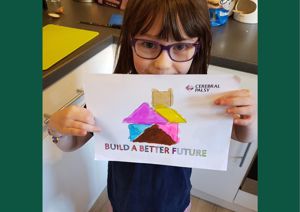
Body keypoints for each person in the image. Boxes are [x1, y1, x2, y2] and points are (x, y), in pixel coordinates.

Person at [47, 0, 257, 211]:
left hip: (175, 203)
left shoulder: (203, 97)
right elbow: (74, 142)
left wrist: (248, 120)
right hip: (122, 201)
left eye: (181, 46)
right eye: (149, 44)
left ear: (198, 46)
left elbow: (240, 135)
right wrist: (57, 128)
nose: (162, 65)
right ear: (130, 41)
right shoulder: (113, 95)